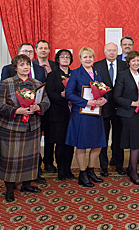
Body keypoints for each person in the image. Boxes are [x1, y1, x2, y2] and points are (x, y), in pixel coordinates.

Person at [0, 54, 50, 202]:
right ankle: (10, 189)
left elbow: (46, 101)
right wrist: (17, 111)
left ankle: (27, 184)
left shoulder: (37, 83)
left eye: (27, 64)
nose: (25, 67)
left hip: (32, 126)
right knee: (11, 159)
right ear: (15, 67)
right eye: (22, 64)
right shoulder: (7, 83)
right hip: (11, 128)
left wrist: (39, 106)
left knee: (30, 158)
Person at [65, 47, 107, 187]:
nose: (88, 59)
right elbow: (69, 94)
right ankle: (82, 174)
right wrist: (86, 102)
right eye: (85, 57)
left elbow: (103, 89)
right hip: (81, 114)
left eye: (90, 57)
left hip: (96, 114)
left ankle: (91, 170)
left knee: (98, 144)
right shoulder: (75, 73)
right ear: (80, 59)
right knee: (81, 145)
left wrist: (104, 98)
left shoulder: (97, 72)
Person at [114, 51, 139, 185]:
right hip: (128, 114)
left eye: (138, 60)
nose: (136, 63)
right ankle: (133, 172)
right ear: (128, 62)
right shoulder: (122, 76)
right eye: (133, 61)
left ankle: (131, 168)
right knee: (134, 143)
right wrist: (133, 103)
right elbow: (117, 97)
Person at [94, 43, 128, 176]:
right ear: (104, 51)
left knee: (119, 138)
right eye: (109, 51)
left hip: (120, 108)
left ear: (117, 52)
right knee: (103, 138)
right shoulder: (97, 65)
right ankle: (103, 166)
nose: (112, 53)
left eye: (114, 51)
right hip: (104, 108)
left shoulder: (124, 65)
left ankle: (119, 165)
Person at [45, 49, 74, 181]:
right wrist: (65, 98)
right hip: (57, 114)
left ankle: (68, 168)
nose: (65, 59)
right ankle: (61, 170)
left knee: (70, 143)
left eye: (67, 57)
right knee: (60, 143)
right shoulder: (52, 75)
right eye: (62, 57)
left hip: (73, 113)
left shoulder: (74, 74)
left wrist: (72, 97)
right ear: (57, 59)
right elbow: (50, 94)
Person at [33, 40, 58, 174]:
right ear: (36, 50)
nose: (43, 50)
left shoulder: (55, 65)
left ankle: (49, 161)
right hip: (36, 107)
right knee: (36, 136)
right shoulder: (31, 66)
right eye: (40, 48)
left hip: (53, 106)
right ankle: (36, 162)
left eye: (45, 48)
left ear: (49, 50)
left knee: (50, 136)